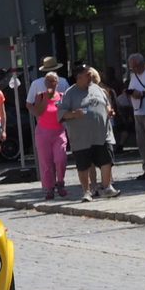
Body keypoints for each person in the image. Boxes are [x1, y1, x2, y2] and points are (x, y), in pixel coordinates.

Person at [61, 66, 120, 202]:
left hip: (102, 133)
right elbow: (61, 113)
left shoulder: (97, 88)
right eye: (87, 75)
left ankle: (107, 187)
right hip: (81, 137)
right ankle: (86, 191)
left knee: (107, 160)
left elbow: (107, 104)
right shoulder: (69, 93)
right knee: (83, 165)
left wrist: (110, 111)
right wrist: (74, 114)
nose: (91, 77)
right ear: (78, 77)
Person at [30, 71, 68, 200]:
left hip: (59, 132)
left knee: (60, 158)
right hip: (43, 132)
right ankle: (49, 188)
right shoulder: (40, 96)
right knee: (46, 162)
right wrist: (46, 99)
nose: (50, 83)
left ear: (57, 83)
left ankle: (61, 183)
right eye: (48, 81)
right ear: (44, 83)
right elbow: (38, 112)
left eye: (53, 80)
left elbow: (66, 113)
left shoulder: (62, 96)